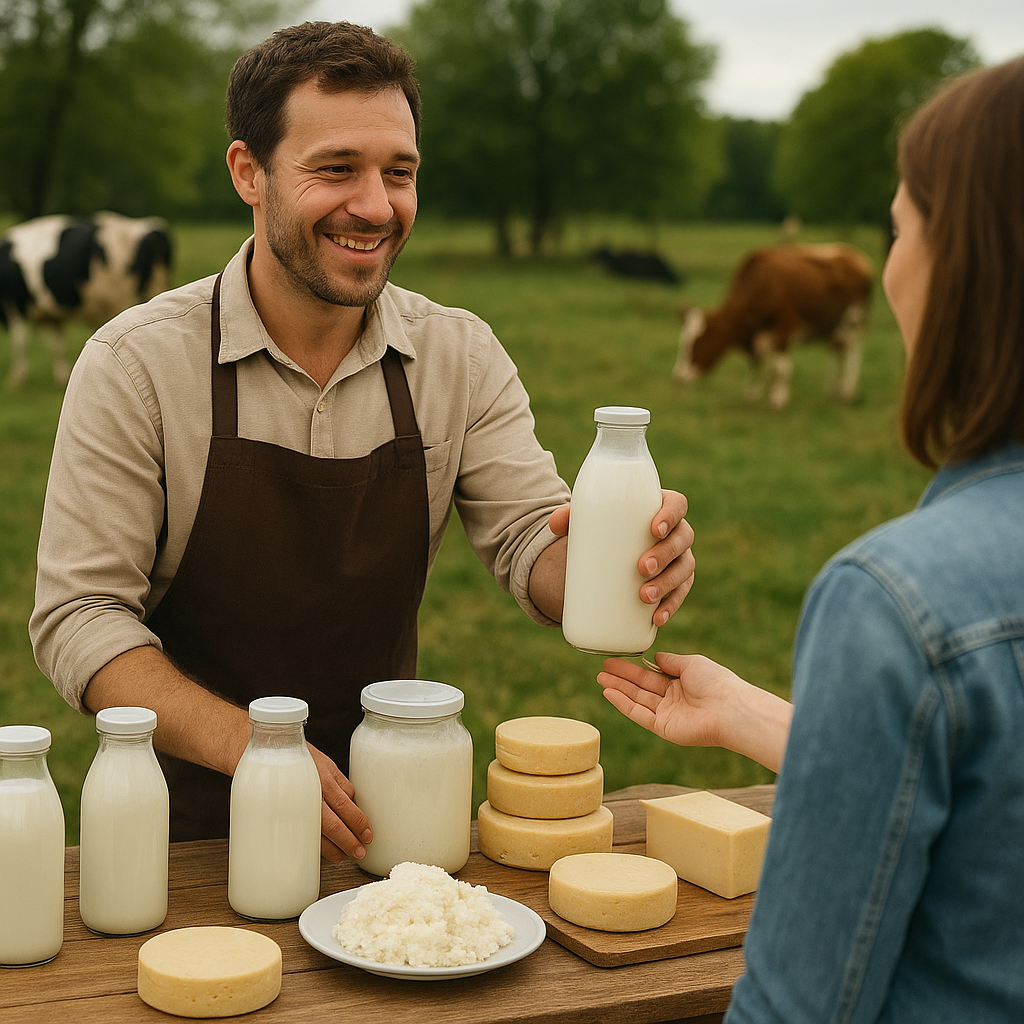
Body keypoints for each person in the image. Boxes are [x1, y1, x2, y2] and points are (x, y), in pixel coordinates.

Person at [29, 22, 695, 860]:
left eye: (399, 173)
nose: (376, 206)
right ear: (249, 172)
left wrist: (624, 564)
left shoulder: (457, 354)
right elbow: (80, 619)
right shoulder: (135, 366)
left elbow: (533, 540)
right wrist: (257, 753)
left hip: (390, 830)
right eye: (336, 169)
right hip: (180, 841)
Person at [599, 56, 1024, 1023]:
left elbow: (799, 1007)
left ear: (961, 268)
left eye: (899, 227)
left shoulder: (900, 599)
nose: (886, 267)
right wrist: (758, 717)